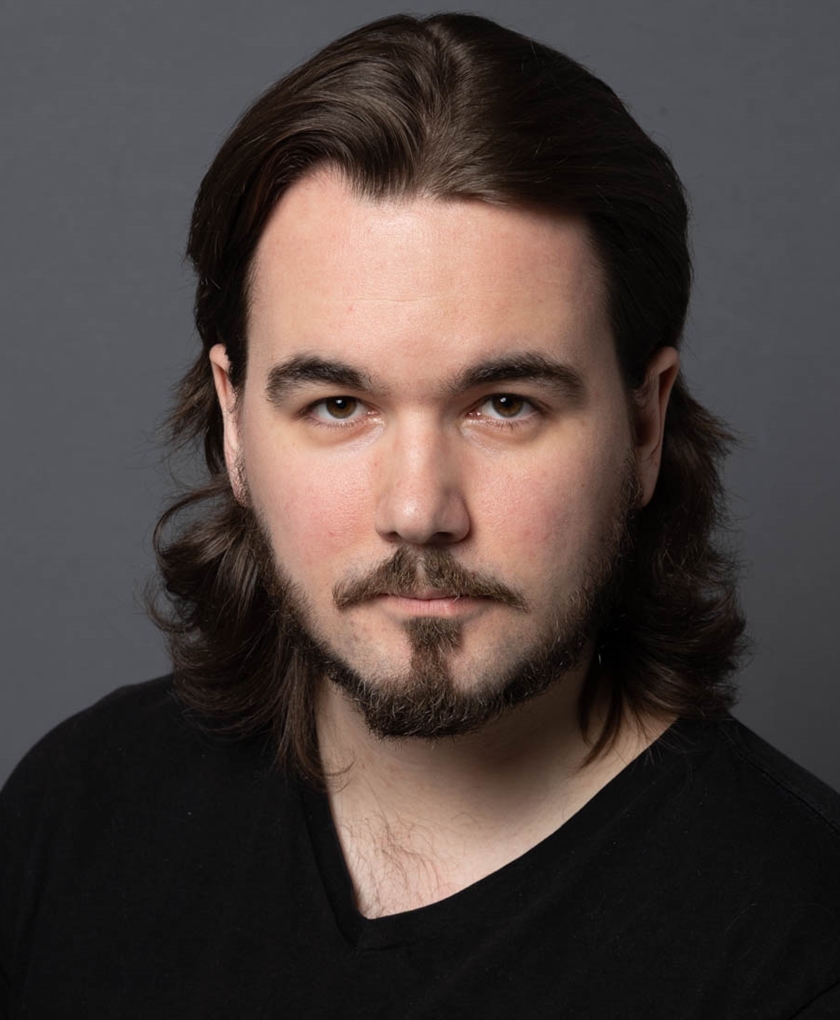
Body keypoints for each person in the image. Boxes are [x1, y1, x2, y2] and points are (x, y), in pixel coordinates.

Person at [1, 12, 838, 1018]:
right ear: (234, 420)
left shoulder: (802, 945)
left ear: (645, 425)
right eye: (338, 406)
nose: (418, 511)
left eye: (505, 405)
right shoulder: (76, 811)